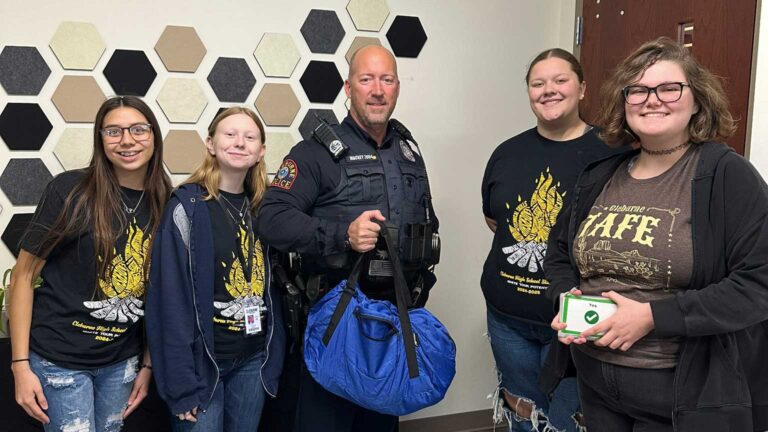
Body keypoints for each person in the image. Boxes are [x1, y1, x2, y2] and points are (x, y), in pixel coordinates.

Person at [544, 37, 768, 431]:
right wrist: (565, 295)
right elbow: (560, 252)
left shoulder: (726, 175)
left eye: (669, 88)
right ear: (623, 101)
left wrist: (652, 317)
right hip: (595, 383)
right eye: (639, 90)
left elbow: (758, 285)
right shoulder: (599, 176)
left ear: (697, 100)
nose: (652, 100)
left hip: (682, 394)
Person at [257, 45, 439, 432]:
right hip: (334, 325)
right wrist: (342, 235)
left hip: (392, 324)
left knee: (380, 425)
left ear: (397, 88)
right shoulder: (314, 153)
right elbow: (271, 219)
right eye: (367, 79)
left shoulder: (409, 152)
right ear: (348, 87)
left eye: (386, 80)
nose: (377, 90)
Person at [8, 96, 171, 432]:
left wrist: (147, 365)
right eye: (113, 131)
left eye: (138, 129)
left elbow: (161, 293)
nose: (127, 140)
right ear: (100, 140)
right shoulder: (71, 190)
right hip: (59, 360)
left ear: (154, 135)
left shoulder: (166, 200)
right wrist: (20, 365)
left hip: (121, 363)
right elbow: (23, 277)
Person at [480, 48, 614, 432]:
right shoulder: (507, 153)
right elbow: (495, 220)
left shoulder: (613, 153)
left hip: (576, 324)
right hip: (508, 319)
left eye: (560, 80)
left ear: (582, 88)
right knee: (524, 416)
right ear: (528, 92)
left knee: (567, 421)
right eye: (538, 83)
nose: (548, 90)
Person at [145, 107, 286, 432]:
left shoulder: (265, 209)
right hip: (202, 366)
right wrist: (180, 385)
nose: (240, 143)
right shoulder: (186, 208)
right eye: (230, 134)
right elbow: (170, 303)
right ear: (210, 143)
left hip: (253, 360)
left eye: (250, 137)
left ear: (261, 150)